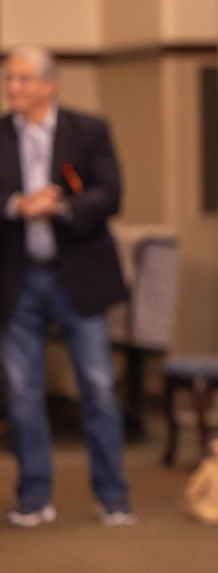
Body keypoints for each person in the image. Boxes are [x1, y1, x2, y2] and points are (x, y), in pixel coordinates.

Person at [0, 46, 134, 527]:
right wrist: (18, 205)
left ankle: (113, 496)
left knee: (97, 386)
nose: (13, 87)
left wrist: (59, 207)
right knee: (22, 392)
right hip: (17, 278)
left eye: (23, 79)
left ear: (49, 84)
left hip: (77, 274)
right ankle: (34, 497)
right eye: (9, 79)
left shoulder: (88, 130)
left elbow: (110, 194)